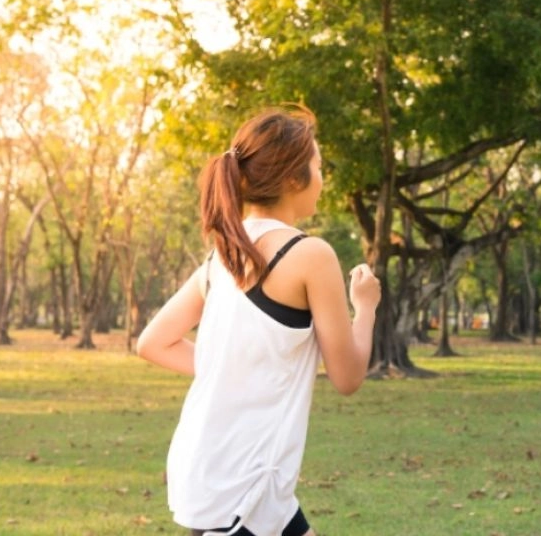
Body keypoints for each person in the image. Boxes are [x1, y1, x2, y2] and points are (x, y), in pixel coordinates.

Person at [137, 105, 380, 536]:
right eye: (318, 167)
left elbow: (154, 342)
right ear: (292, 178)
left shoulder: (222, 255)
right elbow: (347, 377)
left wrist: (234, 368)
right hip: (242, 486)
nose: (323, 179)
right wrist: (365, 308)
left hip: (217, 471)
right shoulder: (310, 255)